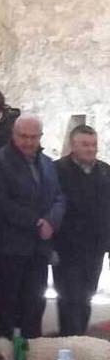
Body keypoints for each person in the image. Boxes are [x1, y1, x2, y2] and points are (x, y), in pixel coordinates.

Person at [0, 114, 65, 339]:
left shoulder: (47, 163)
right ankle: (7, 355)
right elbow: (0, 202)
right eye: (23, 136)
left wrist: (51, 220)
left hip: (39, 247)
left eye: (33, 137)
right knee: (7, 306)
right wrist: (36, 222)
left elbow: (58, 196)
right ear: (13, 134)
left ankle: (32, 355)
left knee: (35, 304)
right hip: (10, 247)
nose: (28, 142)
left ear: (40, 137)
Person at [53, 125, 110, 336]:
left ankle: (81, 339)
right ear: (72, 146)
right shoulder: (57, 170)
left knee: (86, 297)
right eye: (85, 144)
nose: (90, 149)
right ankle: (69, 341)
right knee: (69, 299)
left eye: (93, 144)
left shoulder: (105, 171)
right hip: (67, 248)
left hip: (94, 249)